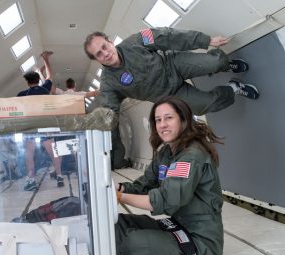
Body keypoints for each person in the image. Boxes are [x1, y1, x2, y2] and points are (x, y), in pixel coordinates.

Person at [83, 27, 259, 169]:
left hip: (173, 65)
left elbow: (169, 36)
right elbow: (109, 113)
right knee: (204, 105)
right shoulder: (108, 83)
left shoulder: (135, 41)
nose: (105, 53)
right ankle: (233, 87)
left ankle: (226, 64)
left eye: (104, 46)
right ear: (97, 60)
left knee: (215, 62)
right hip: (169, 95)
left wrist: (206, 40)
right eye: (99, 54)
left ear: (110, 42)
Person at [114, 96, 224, 255]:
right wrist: (120, 188)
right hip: (177, 227)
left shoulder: (191, 156)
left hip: (201, 240)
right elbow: (145, 184)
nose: (162, 125)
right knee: (119, 223)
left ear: (183, 120)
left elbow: (167, 201)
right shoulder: (167, 152)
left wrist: (120, 198)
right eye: (158, 120)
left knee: (135, 242)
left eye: (168, 118)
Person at [17, 51, 64, 190]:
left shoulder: (22, 94)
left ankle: (31, 180)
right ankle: (60, 177)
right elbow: (50, 75)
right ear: (39, 80)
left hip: (30, 128)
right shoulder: (44, 89)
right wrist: (46, 60)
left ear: (27, 82)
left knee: (29, 155)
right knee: (54, 153)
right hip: (46, 127)